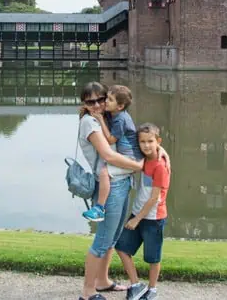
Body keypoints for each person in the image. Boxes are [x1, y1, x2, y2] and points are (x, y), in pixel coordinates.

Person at [77, 82, 169, 300]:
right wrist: (140, 166)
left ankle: (102, 280)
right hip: (111, 185)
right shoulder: (90, 122)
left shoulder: (110, 116)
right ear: (84, 103)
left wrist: (158, 149)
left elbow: (134, 137)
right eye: (92, 101)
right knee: (102, 240)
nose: (98, 104)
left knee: (113, 237)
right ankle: (87, 292)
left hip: (122, 181)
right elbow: (108, 155)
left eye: (102, 99)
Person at [115, 123, 170, 300]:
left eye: (150, 141)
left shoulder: (160, 166)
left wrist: (136, 219)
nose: (146, 145)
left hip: (153, 218)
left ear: (158, 141)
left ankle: (152, 289)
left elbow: (154, 198)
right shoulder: (143, 159)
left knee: (153, 258)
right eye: (142, 142)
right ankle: (136, 284)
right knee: (122, 247)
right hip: (138, 213)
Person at [82, 85, 143, 222]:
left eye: (108, 99)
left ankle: (99, 208)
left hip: (131, 157)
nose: (106, 102)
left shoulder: (121, 119)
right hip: (130, 157)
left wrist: (101, 120)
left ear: (120, 106)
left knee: (104, 172)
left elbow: (110, 140)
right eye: (107, 98)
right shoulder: (115, 114)